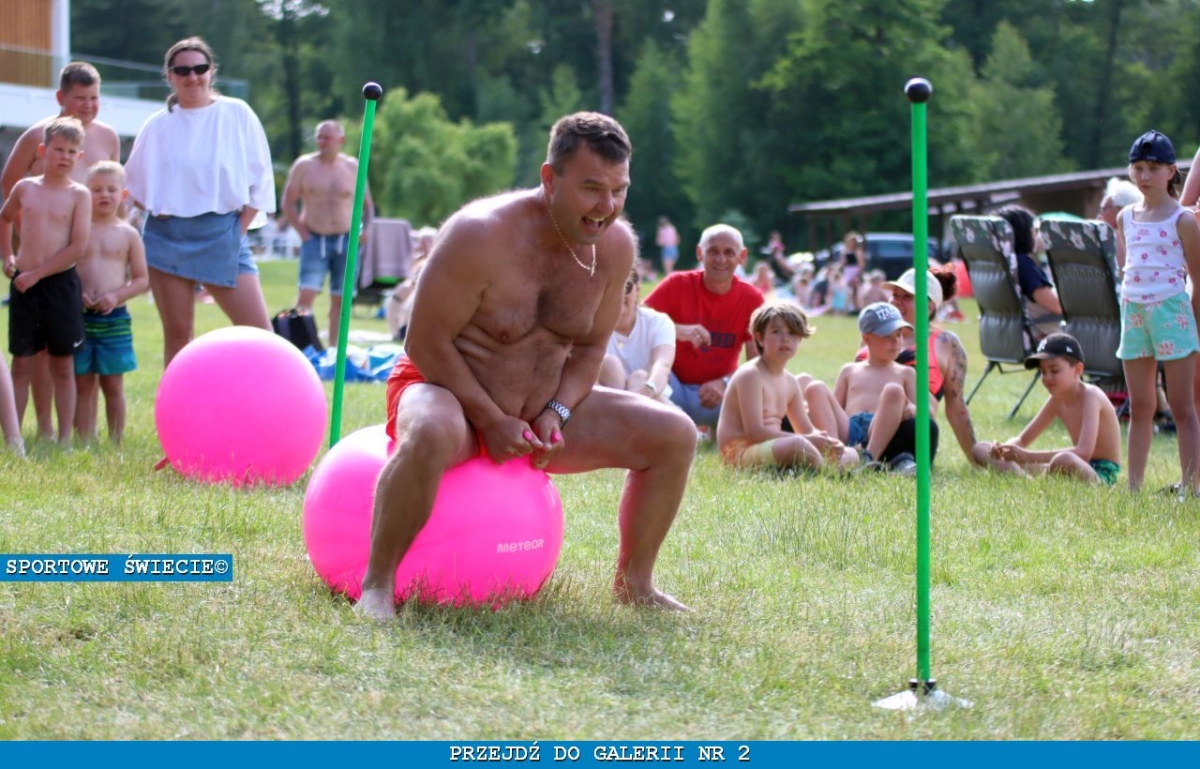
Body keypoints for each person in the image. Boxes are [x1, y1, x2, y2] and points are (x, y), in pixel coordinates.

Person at [360, 112, 694, 620]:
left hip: (539, 413)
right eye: (591, 188)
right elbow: (425, 342)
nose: (606, 207)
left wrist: (556, 412)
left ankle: (635, 585)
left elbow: (589, 351)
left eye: (619, 190)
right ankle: (377, 586)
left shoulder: (616, 247)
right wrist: (491, 419)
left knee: (675, 434)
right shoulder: (479, 235)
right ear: (550, 178)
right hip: (447, 392)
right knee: (429, 431)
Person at [124, 37, 275, 367]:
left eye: (199, 68)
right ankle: (175, 402)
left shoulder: (237, 113)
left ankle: (265, 399)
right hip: (167, 237)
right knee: (178, 337)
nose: (192, 77)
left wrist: (238, 231)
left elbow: (261, 178)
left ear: (212, 71)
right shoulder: (157, 125)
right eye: (182, 71)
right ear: (170, 76)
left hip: (224, 231)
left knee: (261, 334)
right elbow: (131, 185)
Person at [1, 61, 121, 441]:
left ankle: (82, 429)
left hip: (87, 256)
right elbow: (10, 189)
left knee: (77, 348)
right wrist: (27, 243)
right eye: (79, 98)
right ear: (60, 97)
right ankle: (44, 427)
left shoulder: (108, 137)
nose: (88, 105)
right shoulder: (37, 136)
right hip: (40, 258)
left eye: (94, 98)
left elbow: (113, 192)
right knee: (33, 353)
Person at [1114, 130, 1200, 496]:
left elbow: (1197, 277)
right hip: (1134, 314)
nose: (1145, 176)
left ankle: (1191, 487)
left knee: (1182, 406)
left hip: (1171, 314)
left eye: (1153, 168)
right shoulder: (1124, 218)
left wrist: (1194, 322)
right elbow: (1128, 268)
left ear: (1171, 172)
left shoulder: (1184, 221)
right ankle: (1134, 489)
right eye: (1138, 168)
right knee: (1141, 406)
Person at [0, 117, 91, 445]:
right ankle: (14, 438)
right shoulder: (25, 188)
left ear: (79, 157)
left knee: (62, 364)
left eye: (71, 152)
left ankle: (63, 439)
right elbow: (5, 217)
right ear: (43, 151)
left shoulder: (79, 195)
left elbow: (77, 248)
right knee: (22, 363)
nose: (64, 156)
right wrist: (7, 256)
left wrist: (37, 274)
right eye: (58, 150)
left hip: (59, 286)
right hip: (24, 285)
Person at [643, 224, 765, 432]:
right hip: (671, 387)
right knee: (641, 370)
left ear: (742, 257)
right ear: (700, 253)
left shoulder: (751, 299)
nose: (720, 259)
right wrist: (675, 330)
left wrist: (725, 382)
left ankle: (719, 429)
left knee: (760, 389)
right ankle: (676, 429)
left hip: (720, 395)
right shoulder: (677, 284)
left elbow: (758, 364)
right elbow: (636, 321)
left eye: (729, 252)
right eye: (713, 251)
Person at [717, 301, 854, 470]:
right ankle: (828, 471)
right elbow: (754, 433)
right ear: (760, 338)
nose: (785, 339)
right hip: (740, 453)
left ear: (800, 339)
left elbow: (806, 430)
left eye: (792, 333)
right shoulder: (751, 375)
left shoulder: (790, 382)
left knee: (850, 453)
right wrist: (808, 440)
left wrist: (826, 441)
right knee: (799, 445)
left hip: (773, 447)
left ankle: (825, 466)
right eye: (776, 332)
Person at [73, 161, 149, 444]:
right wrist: (75, 294)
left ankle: (116, 441)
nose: (104, 195)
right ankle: (83, 439)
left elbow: (141, 280)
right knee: (82, 381)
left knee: (113, 383)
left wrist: (116, 296)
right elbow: (66, 270)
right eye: (96, 190)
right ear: (86, 193)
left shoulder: (129, 234)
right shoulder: (78, 230)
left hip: (114, 319)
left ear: (123, 194)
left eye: (111, 189)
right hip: (79, 317)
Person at [883, 266, 990, 467]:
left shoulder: (945, 343)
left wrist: (975, 460)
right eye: (895, 295)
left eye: (906, 297)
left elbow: (956, 407)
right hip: (861, 428)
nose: (896, 301)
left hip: (907, 431)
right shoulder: (875, 334)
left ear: (929, 306)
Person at [281, 120, 375, 347]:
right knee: (307, 293)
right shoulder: (304, 165)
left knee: (341, 299)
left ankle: (335, 349)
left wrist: (366, 229)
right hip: (315, 237)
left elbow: (368, 205)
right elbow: (288, 202)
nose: (322, 142)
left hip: (346, 239)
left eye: (327, 137)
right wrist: (302, 233)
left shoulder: (352, 166)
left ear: (340, 140)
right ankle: (302, 346)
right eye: (319, 137)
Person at [987, 333, 1122, 485]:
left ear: (1078, 370)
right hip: (1072, 467)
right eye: (1042, 372)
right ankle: (1031, 479)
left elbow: (1083, 453)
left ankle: (1034, 481)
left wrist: (1027, 457)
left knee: (1063, 459)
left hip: (1101, 473)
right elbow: (1023, 440)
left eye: (1055, 370)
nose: (1047, 377)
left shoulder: (1091, 396)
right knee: (981, 449)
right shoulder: (1057, 399)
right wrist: (1004, 449)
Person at [809, 302, 918, 473]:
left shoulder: (906, 373)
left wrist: (912, 409)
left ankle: (868, 459)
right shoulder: (850, 370)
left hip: (881, 429)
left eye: (899, 335)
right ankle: (835, 453)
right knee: (815, 388)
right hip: (850, 427)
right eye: (887, 336)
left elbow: (920, 413)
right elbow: (835, 407)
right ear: (867, 339)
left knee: (894, 390)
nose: (896, 342)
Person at [599, 267, 676, 404]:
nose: (619, 295)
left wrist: (649, 388)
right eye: (611, 288)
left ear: (638, 288)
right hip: (607, 404)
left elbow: (662, 364)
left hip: (652, 400)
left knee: (639, 378)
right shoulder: (592, 327)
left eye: (626, 287)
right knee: (610, 365)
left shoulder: (658, 322)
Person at [995, 205, 1063, 336]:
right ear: (1024, 234)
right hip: (1042, 336)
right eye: (1034, 231)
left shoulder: (999, 262)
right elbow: (1057, 307)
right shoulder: (1023, 265)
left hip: (1005, 335)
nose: (1037, 236)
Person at [385, 226, 437, 341]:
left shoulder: (438, 259)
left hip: (426, 289)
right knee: (396, 296)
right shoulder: (417, 258)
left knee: (410, 302)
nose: (423, 245)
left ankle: (405, 331)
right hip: (414, 285)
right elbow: (410, 275)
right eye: (421, 241)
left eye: (427, 241)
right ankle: (396, 332)